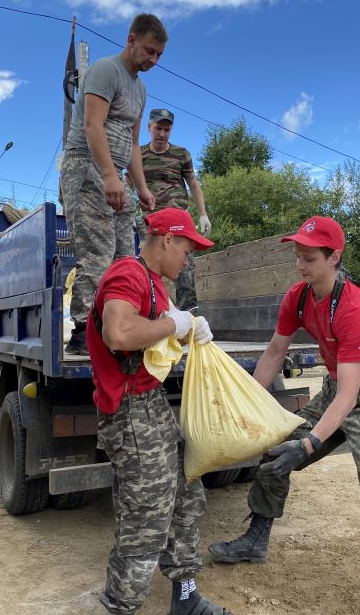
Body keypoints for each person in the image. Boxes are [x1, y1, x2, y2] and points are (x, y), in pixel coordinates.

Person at [208, 216, 360, 615]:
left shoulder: (355, 307)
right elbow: (274, 353)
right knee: (274, 450)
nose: (300, 265)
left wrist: (307, 445)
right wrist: (250, 405)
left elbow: (349, 397)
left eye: (309, 257)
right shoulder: (299, 297)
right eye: (297, 256)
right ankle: (256, 538)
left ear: (334, 257)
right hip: (335, 391)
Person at [88, 207, 232, 615]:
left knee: (187, 495)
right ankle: (120, 607)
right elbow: (118, 333)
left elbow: (153, 339)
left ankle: (186, 599)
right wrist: (175, 325)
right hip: (129, 411)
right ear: (167, 239)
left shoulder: (154, 283)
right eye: (187, 249)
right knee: (147, 518)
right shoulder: (127, 274)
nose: (188, 261)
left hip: (150, 404)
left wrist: (187, 331)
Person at [61, 13, 165, 356]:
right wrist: (108, 176)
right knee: (98, 252)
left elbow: (133, 144)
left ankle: (120, 324)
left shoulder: (140, 88)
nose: (152, 60)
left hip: (114, 174)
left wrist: (142, 187)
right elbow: (93, 126)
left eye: (158, 56)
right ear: (131, 39)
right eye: (149, 51)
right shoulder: (106, 71)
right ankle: (83, 332)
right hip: (86, 167)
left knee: (126, 257)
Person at [139, 108, 210, 311]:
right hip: (151, 221)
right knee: (149, 267)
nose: (162, 134)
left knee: (185, 269)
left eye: (167, 130)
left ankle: (190, 317)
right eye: (158, 128)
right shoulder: (139, 154)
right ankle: (150, 313)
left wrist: (203, 214)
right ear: (149, 127)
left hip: (179, 221)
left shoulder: (181, 154)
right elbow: (128, 182)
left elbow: (193, 184)